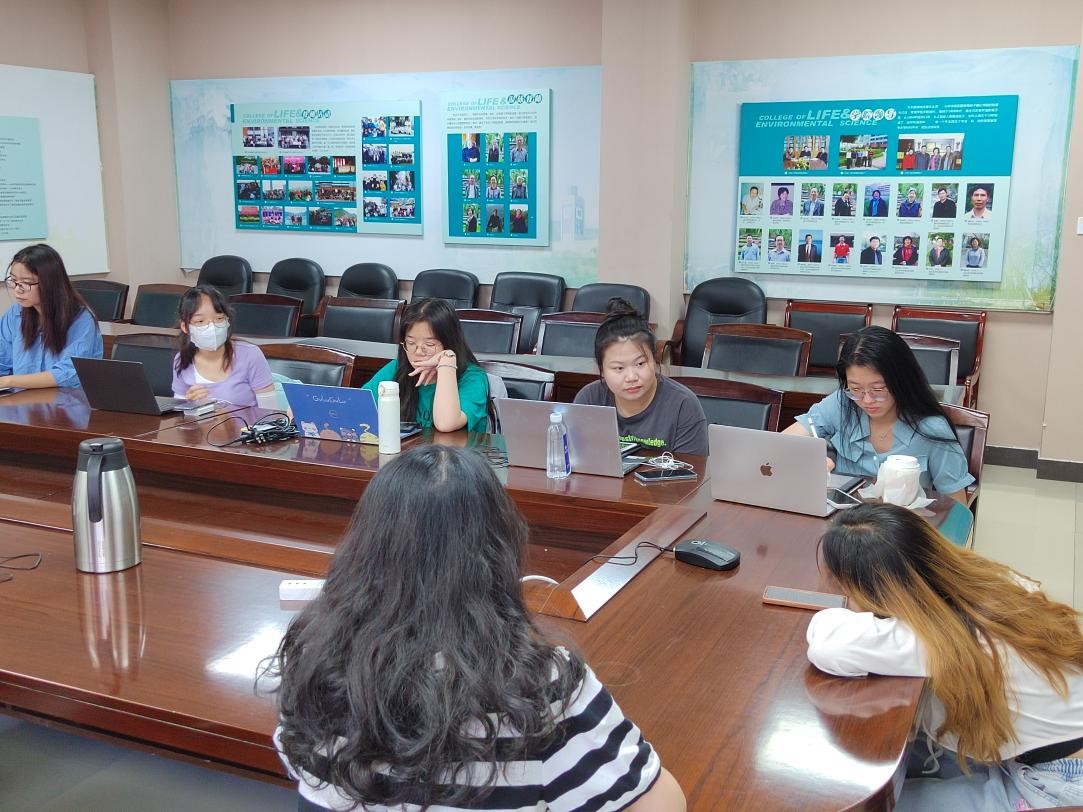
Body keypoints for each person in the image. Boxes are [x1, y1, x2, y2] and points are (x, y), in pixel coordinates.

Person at [269, 445, 687, 812]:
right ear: (498, 550)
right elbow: (662, 804)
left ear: (365, 548)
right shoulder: (540, 687)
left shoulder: (314, 662)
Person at [807, 502, 1083, 811]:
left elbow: (827, 642)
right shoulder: (985, 582)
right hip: (1046, 751)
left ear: (877, 594)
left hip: (1057, 786)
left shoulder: (938, 639)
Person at [783, 325, 974, 501]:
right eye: (855, 388)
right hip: (842, 521)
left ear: (901, 381)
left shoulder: (932, 429)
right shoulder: (843, 403)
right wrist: (809, 458)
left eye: (878, 389)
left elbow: (957, 508)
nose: (866, 400)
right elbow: (784, 442)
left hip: (905, 524)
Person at [574, 298, 707, 455]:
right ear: (601, 369)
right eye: (619, 368)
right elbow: (578, 458)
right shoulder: (589, 400)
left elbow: (691, 469)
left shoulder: (683, 406)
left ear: (655, 359)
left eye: (640, 364)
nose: (631, 377)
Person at [363, 298, 488, 433]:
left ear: (450, 343)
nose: (418, 352)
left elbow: (445, 423)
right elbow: (358, 406)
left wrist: (447, 361)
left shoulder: (473, 379)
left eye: (429, 344)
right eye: (411, 343)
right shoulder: (398, 368)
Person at [0, 244, 102, 389]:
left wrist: (9, 381)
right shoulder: (15, 314)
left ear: (49, 283)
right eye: (13, 281)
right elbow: (2, 360)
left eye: (26, 283)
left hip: (66, 400)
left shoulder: (81, 319)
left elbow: (69, 373)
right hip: (23, 399)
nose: (17, 290)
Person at [171, 285, 275, 407]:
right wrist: (189, 405)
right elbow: (178, 414)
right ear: (185, 327)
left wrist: (225, 414)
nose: (211, 327)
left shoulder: (250, 355)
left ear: (227, 321)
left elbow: (271, 413)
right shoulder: (182, 360)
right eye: (200, 321)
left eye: (219, 318)